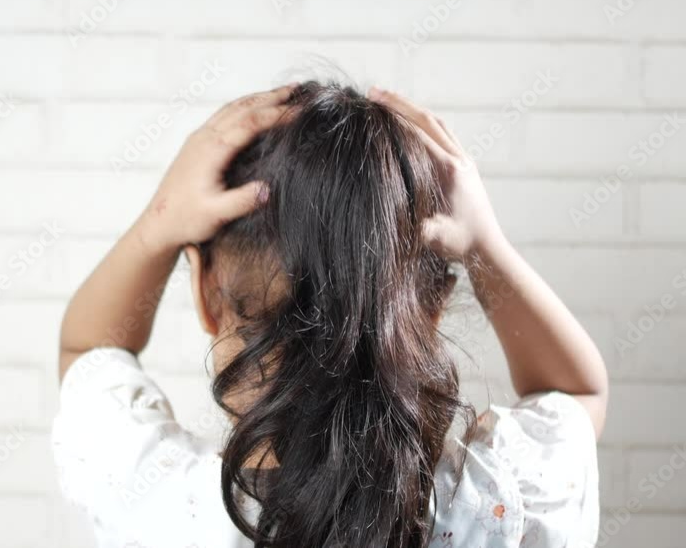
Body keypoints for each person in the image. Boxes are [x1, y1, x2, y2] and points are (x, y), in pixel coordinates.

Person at [53, 81, 607, 548]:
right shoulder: (505, 506)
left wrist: (160, 224)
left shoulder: (151, 500)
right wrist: (486, 246)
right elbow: (576, 390)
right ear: (430, 307)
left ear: (206, 293)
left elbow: (88, 348)